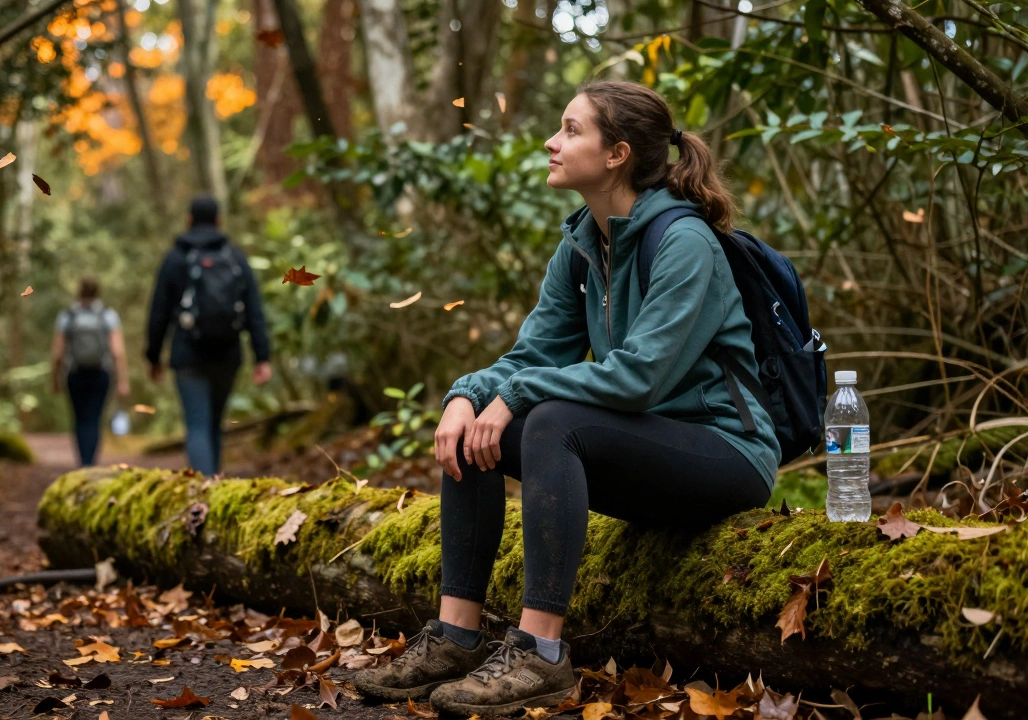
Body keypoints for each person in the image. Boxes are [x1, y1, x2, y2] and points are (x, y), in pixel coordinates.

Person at [352, 80, 781, 716]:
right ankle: (456, 637)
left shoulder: (685, 243)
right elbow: (531, 356)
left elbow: (639, 379)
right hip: (648, 449)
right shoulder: (585, 243)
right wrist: (466, 396)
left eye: (571, 130)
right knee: (483, 429)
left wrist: (517, 395)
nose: (552, 142)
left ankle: (541, 653)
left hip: (725, 453)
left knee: (550, 421)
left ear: (617, 154)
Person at [145, 195, 272, 476]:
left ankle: (203, 492)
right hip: (228, 354)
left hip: (187, 354)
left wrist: (153, 357)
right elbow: (254, 309)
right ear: (219, 221)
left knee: (197, 425)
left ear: (188, 220)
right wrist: (262, 356)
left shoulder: (175, 259)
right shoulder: (235, 257)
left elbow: (159, 312)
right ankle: (214, 485)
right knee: (215, 423)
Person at [51, 276, 130, 466]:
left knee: (79, 419)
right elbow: (118, 352)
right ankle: (90, 462)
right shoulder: (107, 315)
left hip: (75, 374)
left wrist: (55, 378)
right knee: (94, 419)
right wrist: (122, 381)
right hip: (101, 374)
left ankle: (82, 462)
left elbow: (58, 353)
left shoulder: (67, 316)